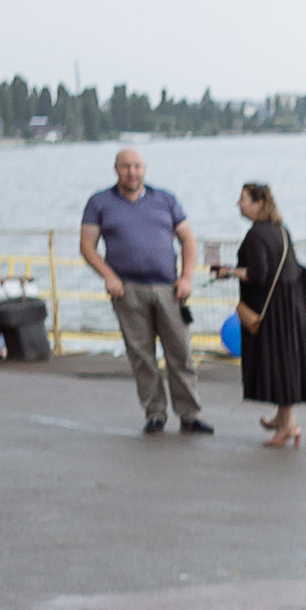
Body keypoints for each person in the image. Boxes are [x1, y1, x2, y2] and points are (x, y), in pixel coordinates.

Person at [78, 148, 209, 435]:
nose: (132, 172)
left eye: (137, 166)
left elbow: (188, 240)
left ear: (144, 168)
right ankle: (155, 413)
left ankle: (190, 414)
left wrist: (187, 277)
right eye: (126, 166)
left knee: (180, 352)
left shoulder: (165, 199)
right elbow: (87, 246)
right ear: (116, 169)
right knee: (142, 356)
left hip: (169, 289)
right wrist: (109, 276)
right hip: (127, 291)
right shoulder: (99, 202)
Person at [233, 182, 306, 448]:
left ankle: (287, 426)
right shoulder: (281, 230)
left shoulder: (256, 234)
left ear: (259, 203)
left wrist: (230, 272)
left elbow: (258, 274)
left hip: (272, 311)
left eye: (243, 199)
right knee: (287, 362)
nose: (239, 204)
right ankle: (285, 420)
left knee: (278, 364)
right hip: (292, 307)